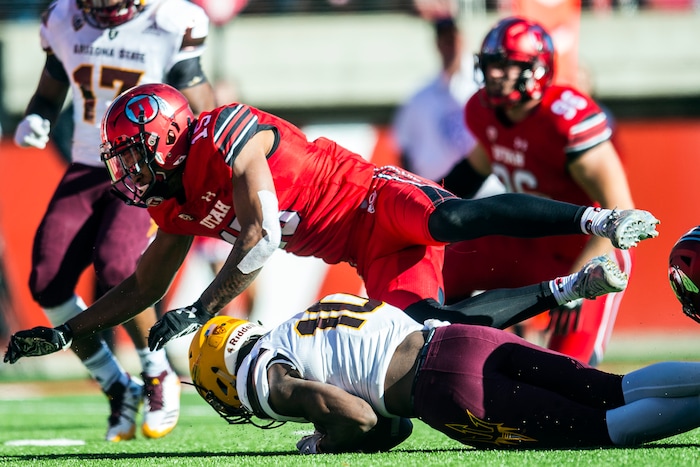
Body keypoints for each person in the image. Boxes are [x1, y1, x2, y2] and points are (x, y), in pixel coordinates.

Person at [2, 82, 658, 370]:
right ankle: (566, 292)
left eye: (138, 152)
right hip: (354, 249)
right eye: (125, 158)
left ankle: (598, 216)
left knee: (451, 217)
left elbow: (260, 238)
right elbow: (143, 287)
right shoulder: (170, 204)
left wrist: (202, 308)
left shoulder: (224, 132)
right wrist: (66, 330)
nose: (131, 169)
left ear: (172, 134)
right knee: (432, 334)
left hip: (370, 197)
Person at [12, 0, 216, 441]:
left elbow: (200, 107)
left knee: (118, 265)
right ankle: (114, 384)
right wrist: (37, 116)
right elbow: (49, 92)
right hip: (88, 163)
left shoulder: (168, 22)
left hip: (146, 167)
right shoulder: (64, 18)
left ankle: (155, 371)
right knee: (47, 281)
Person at [191, 294, 700, 452]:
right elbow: (390, 427)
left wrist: (325, 443)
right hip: (462, 339)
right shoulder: (298, 323)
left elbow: (362, 417)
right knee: (612, 389)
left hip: (444, 388)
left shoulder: (263, 376)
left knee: (599, 430)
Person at [441, 17, 639, 366]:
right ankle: (422, 347)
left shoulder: (565, 119)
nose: (495, 75)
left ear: (536, 69)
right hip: (525, 242)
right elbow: (468, 175)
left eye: (505, 65)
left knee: (570, 372)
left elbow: (620, 213)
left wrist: (579, 282)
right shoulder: (484, 112)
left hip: (586, 249)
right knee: (440, 262)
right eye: (491, 65)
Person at [392, 17, 479, 183]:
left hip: (484, 194)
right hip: (439, 195)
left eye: (453, 38)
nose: (450, 45)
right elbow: (403, 148)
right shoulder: (419, 98)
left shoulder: (483, 88)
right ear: (437, 44)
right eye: (444, 40)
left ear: (462, 40)